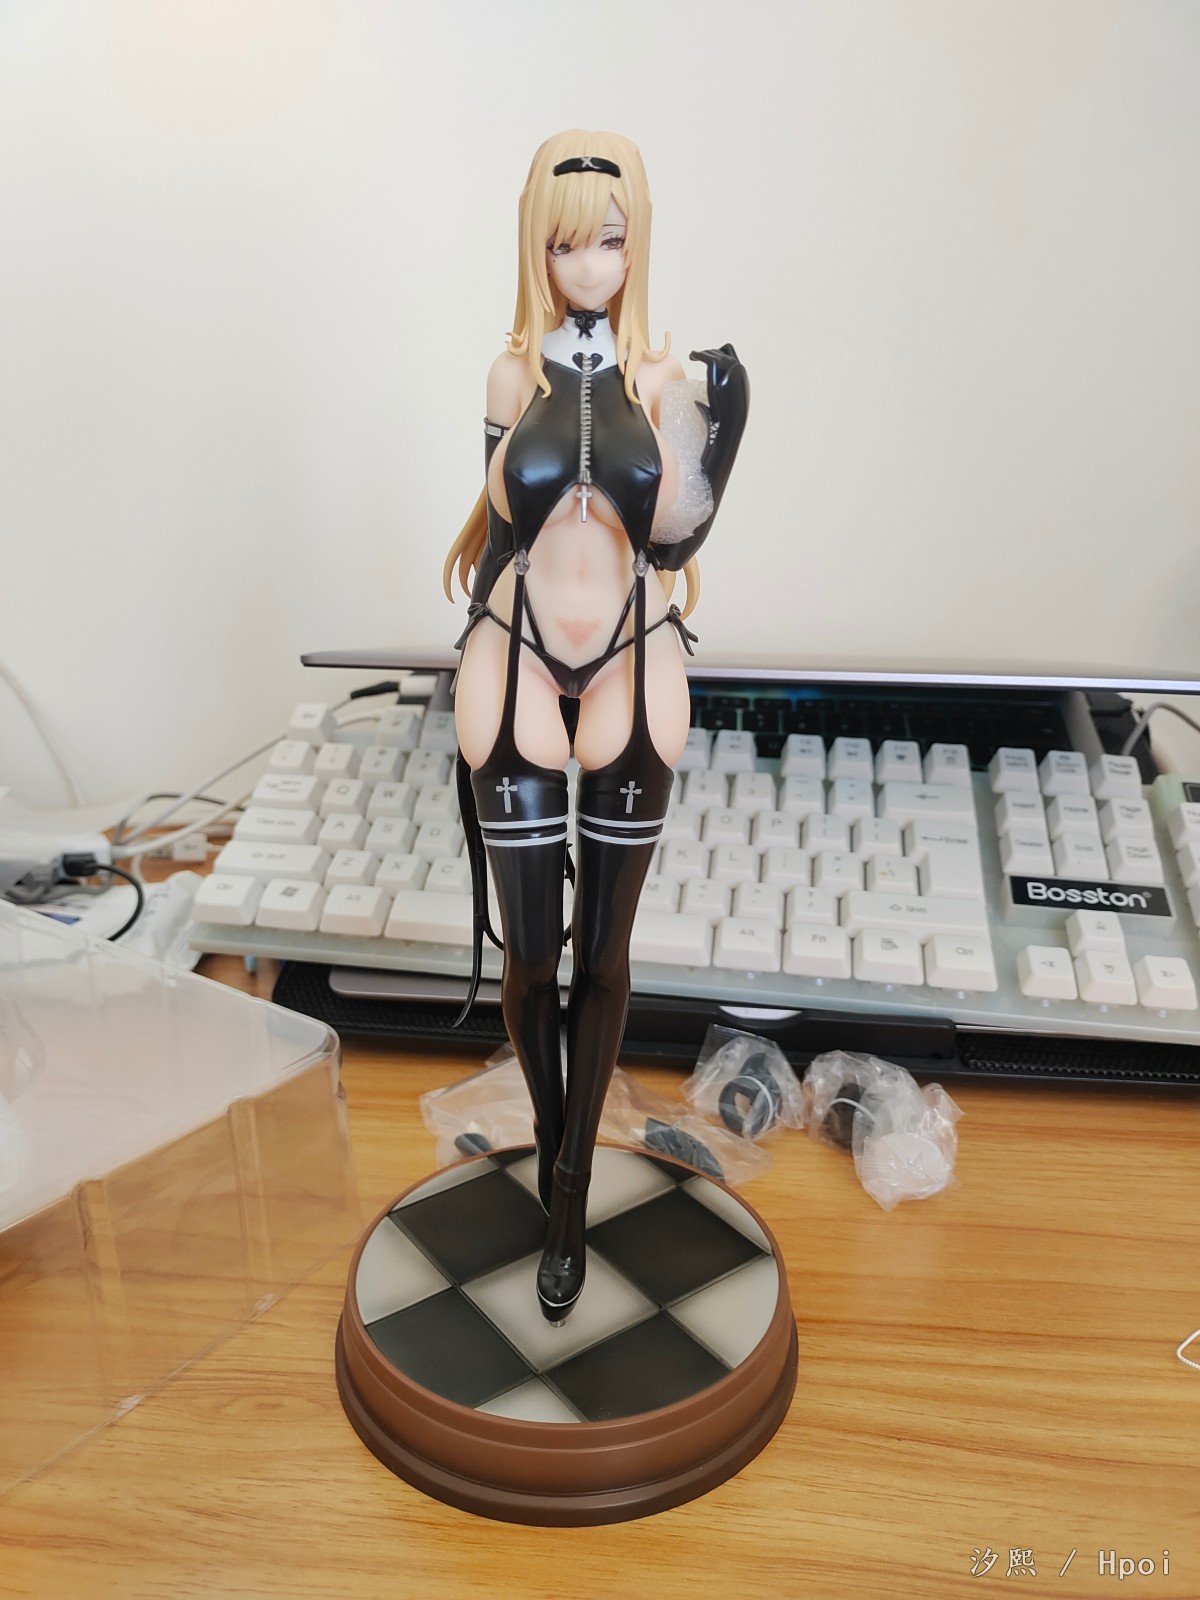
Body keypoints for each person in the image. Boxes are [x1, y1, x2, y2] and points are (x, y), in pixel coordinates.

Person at [443, 129, 748, 1323]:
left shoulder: (659, 379)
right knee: (530, 960)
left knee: (605, 956)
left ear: (636, 246)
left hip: (629, 649)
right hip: (518, 646)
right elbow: (499, 535)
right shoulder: (507, 378)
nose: (589, 266)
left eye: (609, 242)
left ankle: (566, 1190)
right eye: (566, 245)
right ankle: (555, 1138)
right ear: (538, 250)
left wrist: (721, 424)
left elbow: (677, 536)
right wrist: (476, 642)